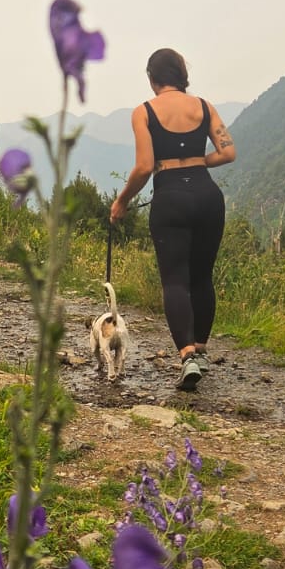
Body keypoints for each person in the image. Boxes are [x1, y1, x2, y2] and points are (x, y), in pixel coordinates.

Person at [109, 48, 236, 392]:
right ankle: (203, 351)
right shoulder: (205, 107)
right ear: (182, 74)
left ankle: (188, 356)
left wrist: (121, 201)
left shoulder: (144, 112)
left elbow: (144, 166)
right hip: (209, 197)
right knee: (202, 277)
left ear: (152, 78)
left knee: (175, 281)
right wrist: (197, 161)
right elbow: (228, 152)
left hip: (171, 200)